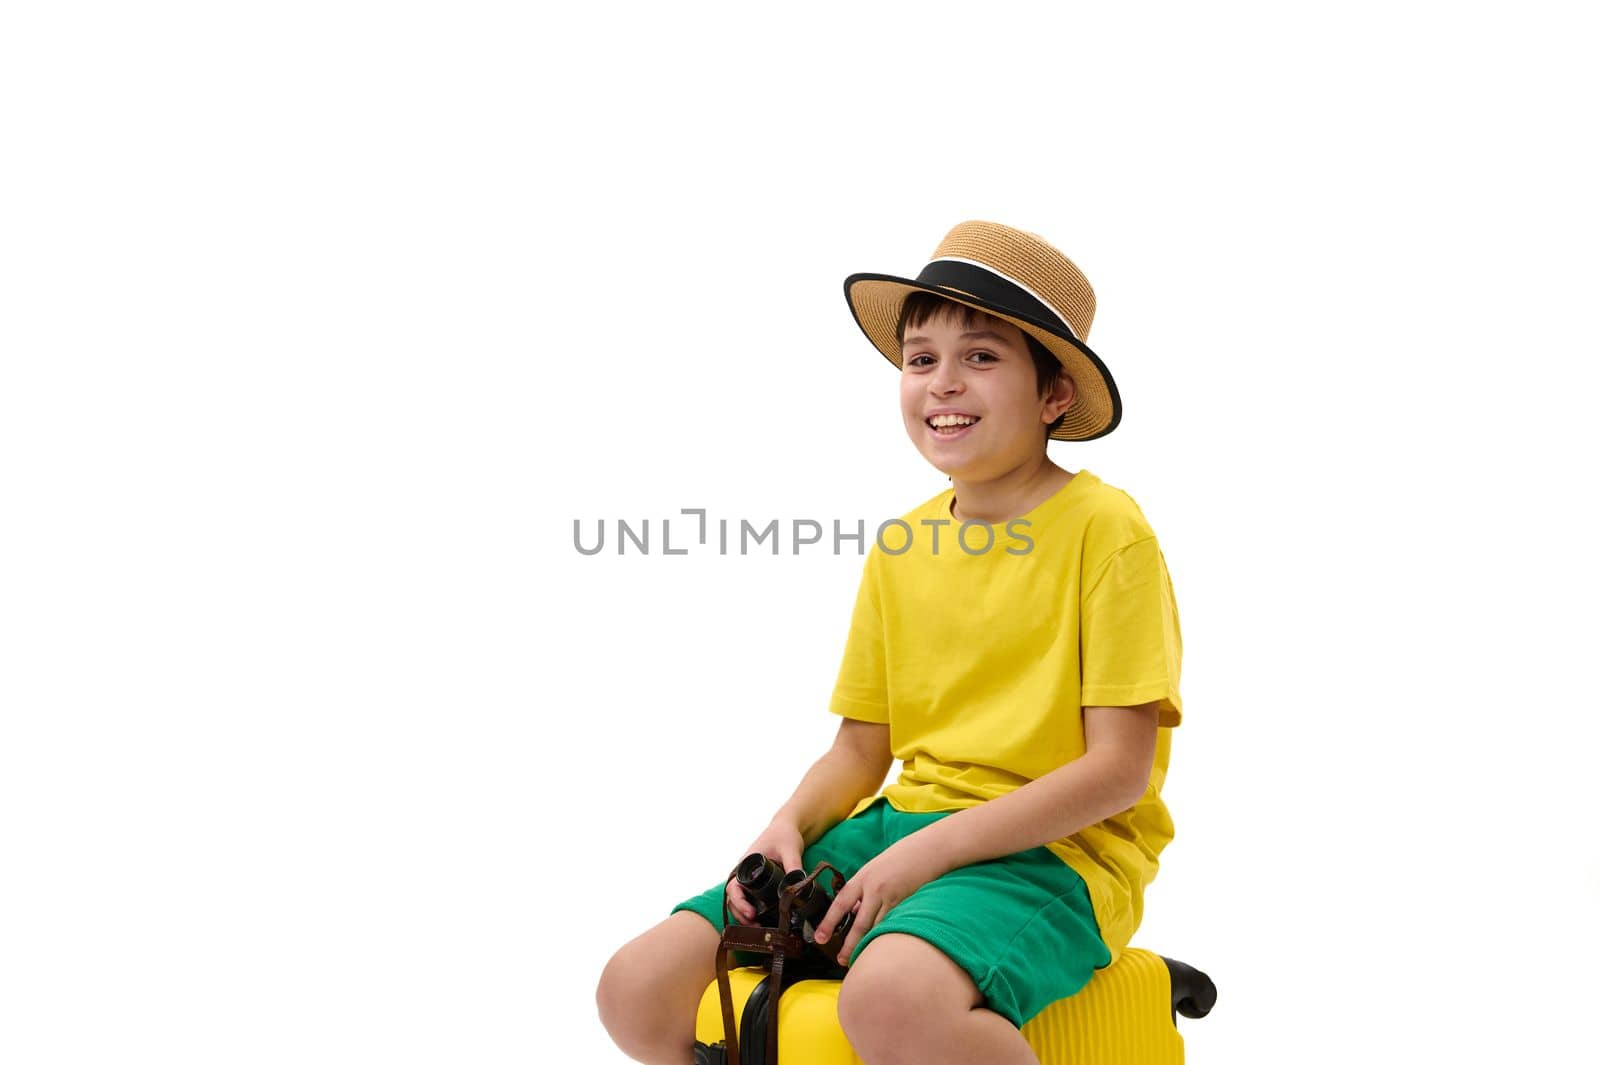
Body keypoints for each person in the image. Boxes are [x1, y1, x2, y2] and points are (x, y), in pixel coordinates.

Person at [596, 220, 1185, 1065]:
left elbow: (1118, 771)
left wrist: (928, 853)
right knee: (636, 989)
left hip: (1054, 853)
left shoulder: (1106, 529)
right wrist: (785, 826)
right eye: (921, 360)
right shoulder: (902, 546)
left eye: (981, 357)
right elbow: (860, 746)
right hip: (899, 825)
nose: (943, 383)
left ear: (1054, 393)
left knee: (891, 997)